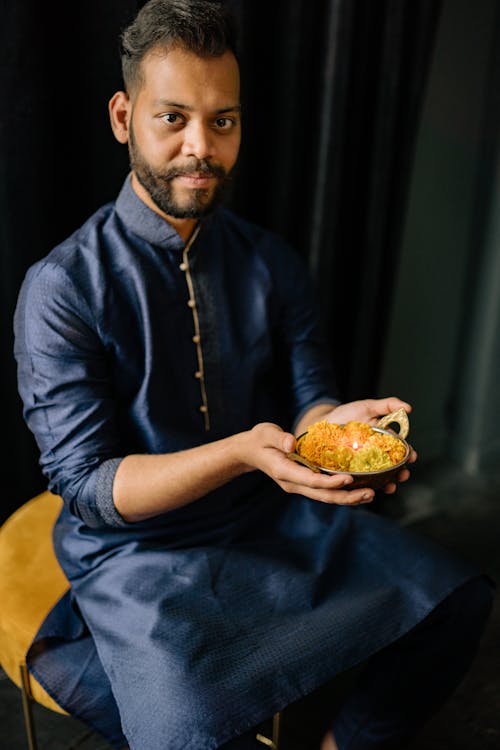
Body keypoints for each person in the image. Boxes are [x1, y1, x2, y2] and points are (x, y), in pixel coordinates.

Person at [13, 1, 493, 749]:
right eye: (172, 118)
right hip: (140, 553)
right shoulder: (62, 288)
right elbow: (88, 488)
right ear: (122, 116)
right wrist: (243, 450)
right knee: (190, 728)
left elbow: (310, 400)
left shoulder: (270, 261)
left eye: (223, 121)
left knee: (457, 597)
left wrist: (336, 428)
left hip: (268, 512)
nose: (200, 148)